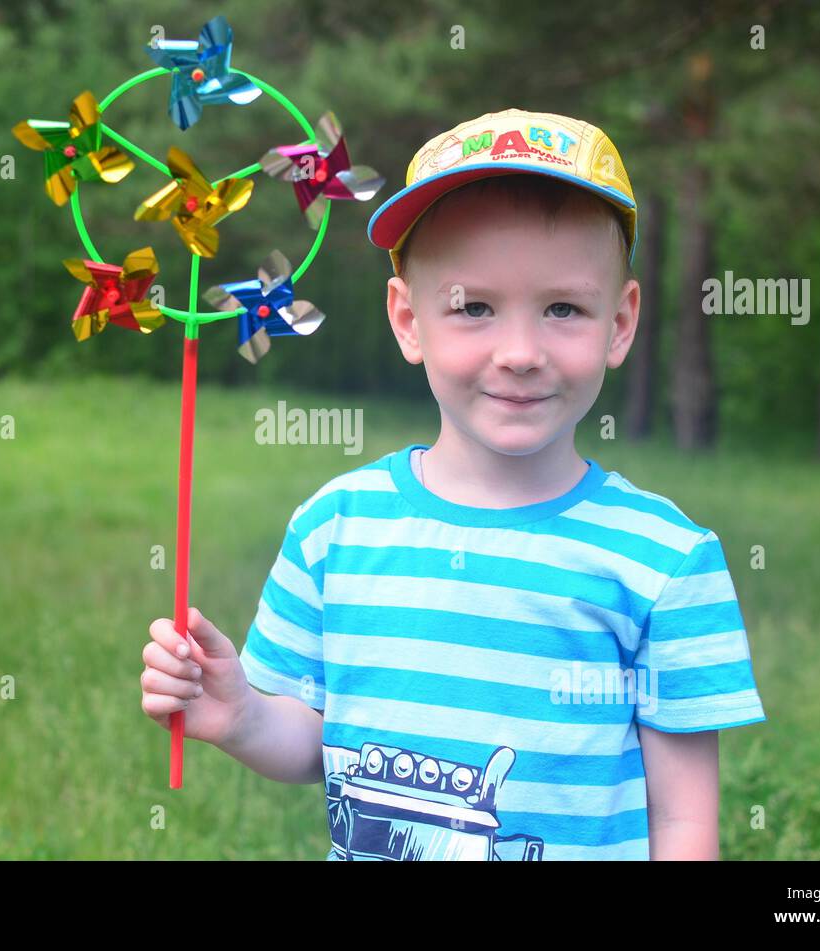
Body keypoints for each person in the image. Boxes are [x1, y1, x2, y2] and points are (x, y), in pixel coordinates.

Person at [141, 109, 765, 860]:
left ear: (620, 322)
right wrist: (242, 717)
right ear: (409, 320)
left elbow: (685, 823)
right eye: (474, 308)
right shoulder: (335, 530)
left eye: (563, 308)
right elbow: (314, 743)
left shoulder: (664, 561)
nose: (521, 351)